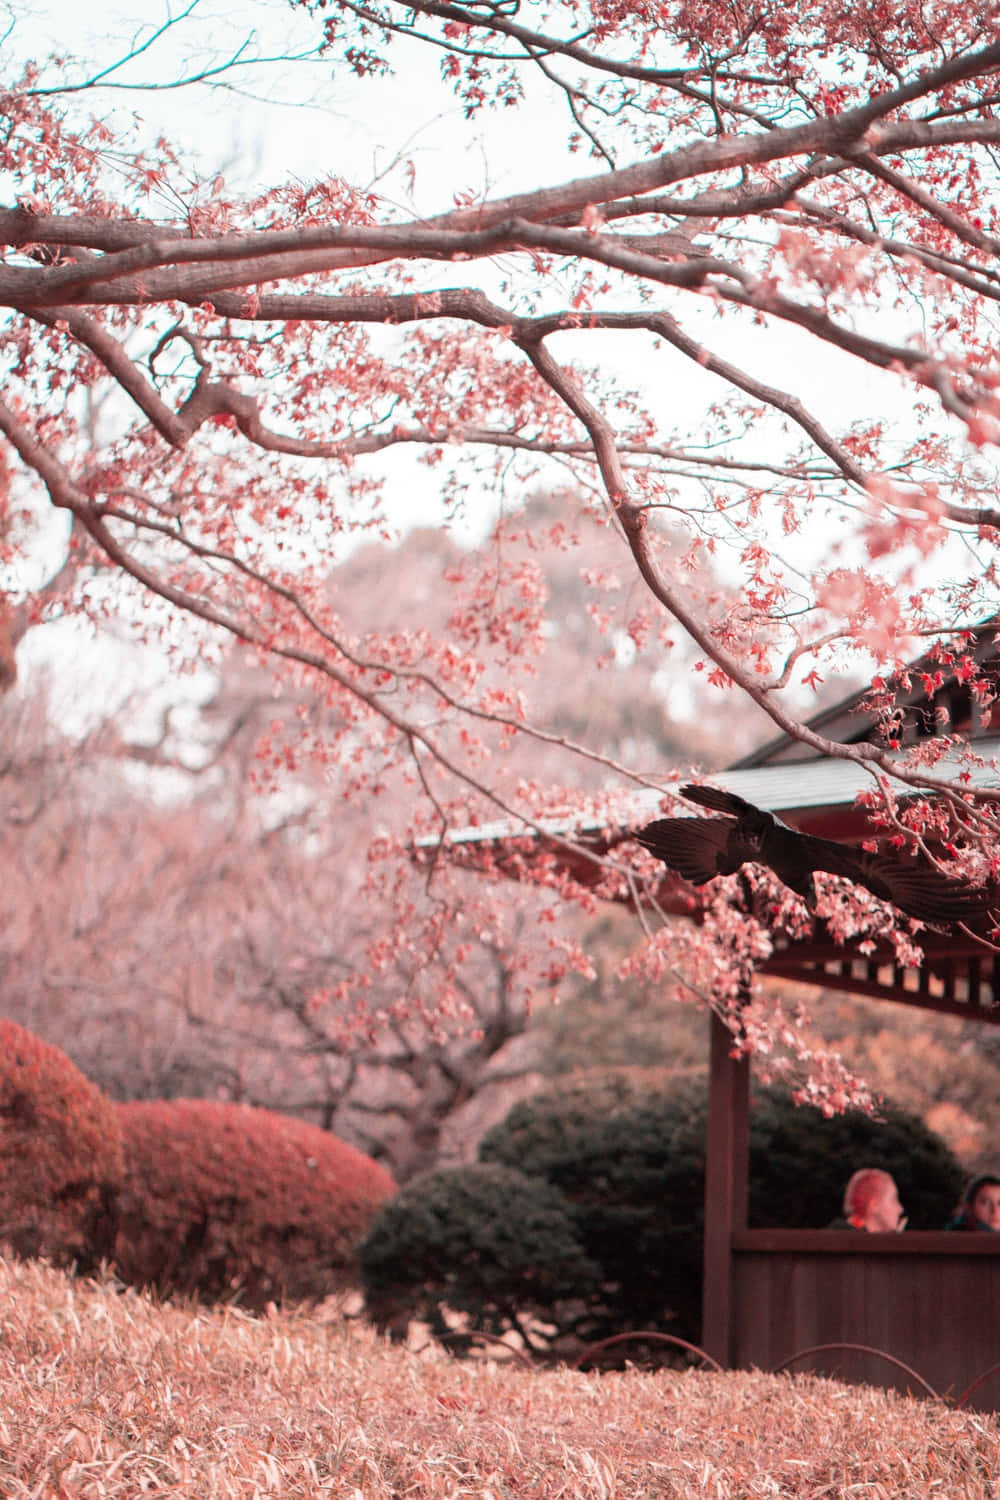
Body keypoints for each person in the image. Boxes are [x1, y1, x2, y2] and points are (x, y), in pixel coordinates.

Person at [828, 1168, 907, 1232]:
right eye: (894, 1200)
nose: (900, 1209)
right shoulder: (854, 1245)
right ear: (874, 1205)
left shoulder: (834, 1241)